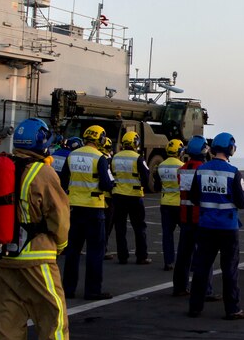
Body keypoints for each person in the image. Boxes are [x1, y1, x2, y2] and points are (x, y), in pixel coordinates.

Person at [0, 117, 84, 340]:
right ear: (42, 142)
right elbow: (60, 219)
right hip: (36, 258)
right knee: (52, 320)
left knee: (7, 324)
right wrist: (61, 247)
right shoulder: (43, 173)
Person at [187, 132, 244, 320]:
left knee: (202, 268)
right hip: (228, 227)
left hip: (206, 226)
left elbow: (194, 197)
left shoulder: (202, 170)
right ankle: (232, 309)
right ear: (230, 148)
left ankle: (195, 307)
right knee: (229, 269)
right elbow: (243, 201)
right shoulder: (233, 172)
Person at [58, 125, 114, 300]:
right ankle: (92, 290)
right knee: (95, 252)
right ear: (101, 140)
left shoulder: (72, 155)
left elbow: (63, 180)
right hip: (94, 209)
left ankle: (68, 289)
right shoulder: (100, 158)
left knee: (73, 251)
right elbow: (106, 184)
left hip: (74, 208)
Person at [172, 135, 213, 298]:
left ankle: (180, 287)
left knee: (183, 255)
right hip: (199, 217)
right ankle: (205, 290)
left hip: (184, 216)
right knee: (204, 256)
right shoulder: (203, 169)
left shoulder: (182, 169)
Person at [110, 130, 153, 265]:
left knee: (120, 228)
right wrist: (142, 188)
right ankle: (141, 256)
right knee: (139, 227)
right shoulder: (138, 158)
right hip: (134, 196)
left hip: (118, 196)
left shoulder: (115, 157)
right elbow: (146, 176)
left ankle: (123, 256)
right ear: (136, 143)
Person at [153, 139, 185, 271]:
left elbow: (157, 186)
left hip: (165, 203)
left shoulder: (161, 166)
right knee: (186, 234)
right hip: (180, 204)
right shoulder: (182, 166)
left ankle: (168, 261)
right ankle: (185, 260)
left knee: (167, 234)